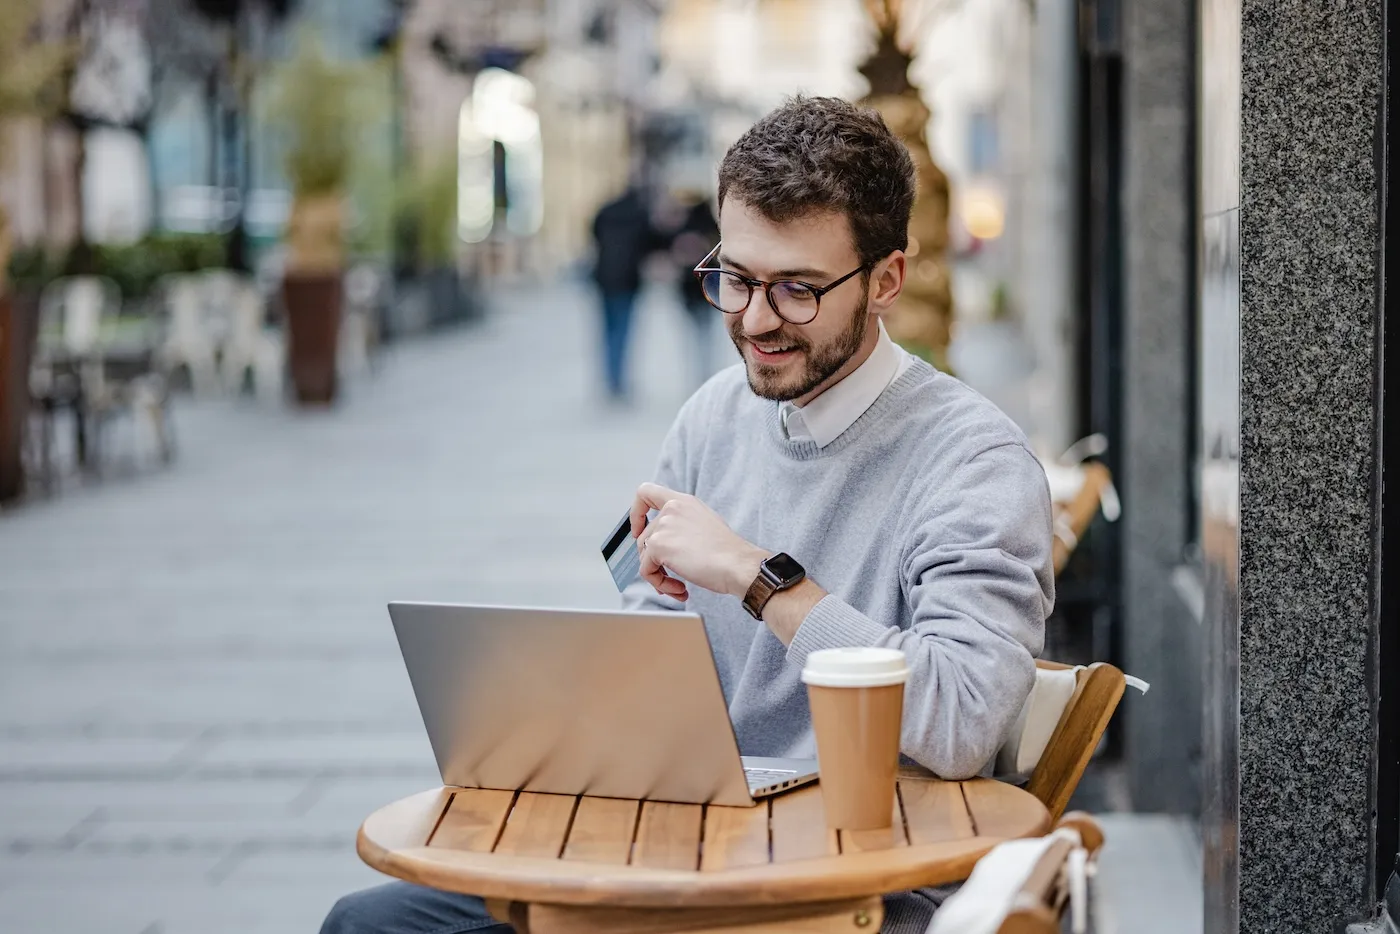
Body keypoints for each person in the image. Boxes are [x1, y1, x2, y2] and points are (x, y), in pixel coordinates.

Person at [320, 96, 1053, 934]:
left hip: (853, 890)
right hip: (680, 849)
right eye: (735, 278)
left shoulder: (973, 461)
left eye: (798, 290)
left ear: (887, 279)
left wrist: (756, 577)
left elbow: (962, 719)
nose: (753, 319)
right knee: (373, 922)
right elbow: (650, 627)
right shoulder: (713, 416)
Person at [589, 185, 655, 401]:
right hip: (627, 280)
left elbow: (594, 234)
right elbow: (649, 244)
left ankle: (611, 378)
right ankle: (618, 380)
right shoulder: (639, 215)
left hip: (604, 277)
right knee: (623, 331)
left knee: (607, 330)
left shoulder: (605, 211)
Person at [666, 191, 722, 387]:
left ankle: (698, 371)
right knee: (704, 333)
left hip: (689, 289)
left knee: (693, 333)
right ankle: (703, 371)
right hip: (705, 287)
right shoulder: (710, 228)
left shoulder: (682, 227)